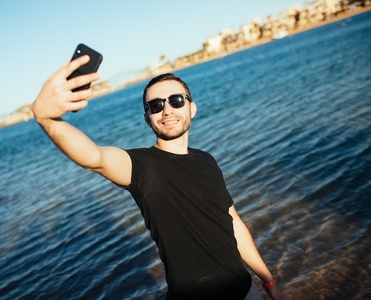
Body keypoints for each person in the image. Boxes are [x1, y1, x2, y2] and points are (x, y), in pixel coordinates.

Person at [31, 55, 288, 300]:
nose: (166, 110)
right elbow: (94, 157)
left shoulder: (207, 160)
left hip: (246, 290)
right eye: (156, 106)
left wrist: (268, 280)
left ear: (192, 108)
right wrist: (47, 119)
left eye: (176, 100)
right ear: (147, 118)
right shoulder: (142, 168)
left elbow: (233, 223)